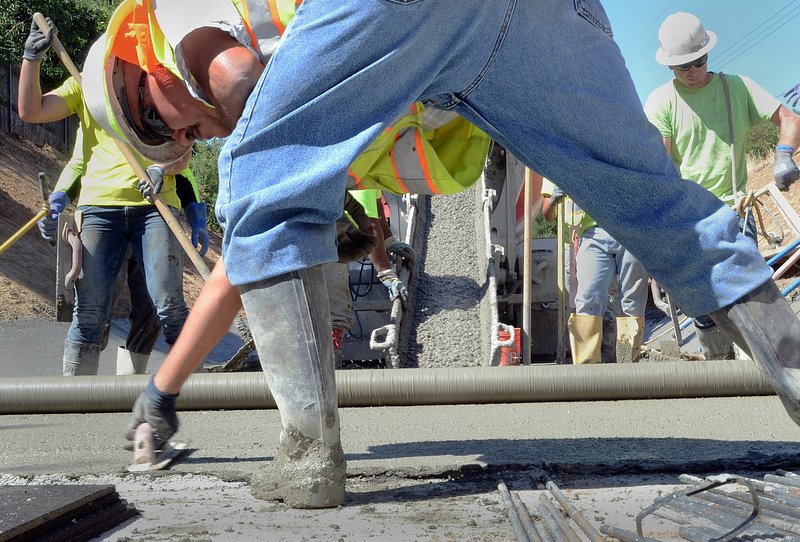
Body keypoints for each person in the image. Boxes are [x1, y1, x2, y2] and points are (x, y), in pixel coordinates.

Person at [86, 0, 800, 509]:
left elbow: (243, 95)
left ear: (137, 69)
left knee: (263, 186)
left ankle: (308, 456)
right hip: (542, 19)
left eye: (158, 117)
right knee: (649, 197)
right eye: (171, 142)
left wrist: (161, 392)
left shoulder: (170, 19)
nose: (183, 136)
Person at [18, 17, 202, 376]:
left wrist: (161, 170)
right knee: (89, 310)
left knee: (166, 303)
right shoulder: (85, 87)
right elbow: (31, 110)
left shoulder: (162, 83)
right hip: (100, 208)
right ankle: (77, 401)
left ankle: (195, 388)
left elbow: (186, 147)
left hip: (155, 208)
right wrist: (31, 58)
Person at [644, 12, 800, 359]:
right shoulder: (661, 102)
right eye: (684, 67)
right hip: (689, 218)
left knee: (748, 296)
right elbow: (660, 164)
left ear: (707, 54)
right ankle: (719, 365)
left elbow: (790, 118)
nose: (693, 71)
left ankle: (769, 366)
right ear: (670, 67)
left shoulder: (737, 87)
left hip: (736, 209)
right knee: (702, 305)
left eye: (698, 62)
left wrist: (784, 154)